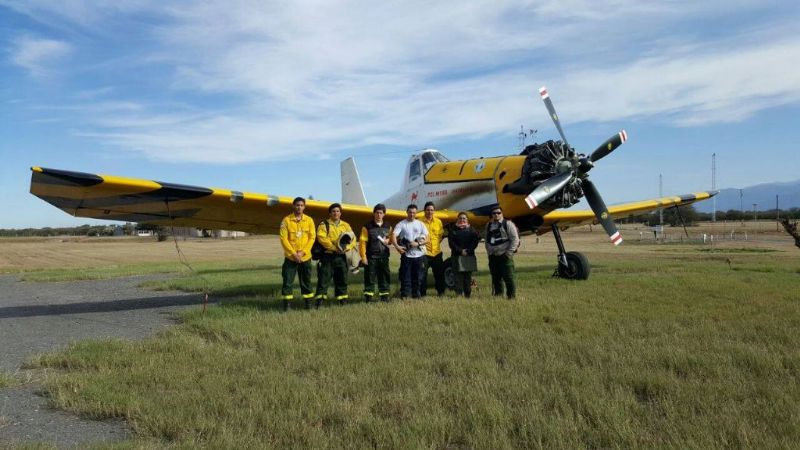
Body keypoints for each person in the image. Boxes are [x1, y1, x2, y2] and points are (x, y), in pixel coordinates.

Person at [314, 203, 357, 307]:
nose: (335, 213)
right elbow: (321, 238)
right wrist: (334, 248)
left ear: (340, 213)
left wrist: (346, 248)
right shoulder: (324, 224)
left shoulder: (346, 225)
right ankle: (319, 301)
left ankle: (342, 300)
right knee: (324, 279)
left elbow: (353, 238)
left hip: (342, 257)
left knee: (342, 279)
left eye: (337, 211)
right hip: (328, 256)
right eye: (333, 211)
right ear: (330, 213)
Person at [278, 197, 316, 311]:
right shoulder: (286, 220)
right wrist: (294, 254)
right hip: (291, 258)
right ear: (293, 206)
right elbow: (283, 239)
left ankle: (308, 304)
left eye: (301, 205)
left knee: (306, 282)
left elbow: (312, 237)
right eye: (297, 205)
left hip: (305, 257)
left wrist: (303, 252)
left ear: (304, 207)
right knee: (287, 282)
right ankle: (287, 306)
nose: (299, 207)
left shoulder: (309, 220)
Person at [392, 204, 428, 299]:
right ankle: (405, 295)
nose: (412, 214)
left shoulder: (420, 224)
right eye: (410, 212)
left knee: (418, 277)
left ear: (416, 213)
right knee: (405, 276)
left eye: (414, 213)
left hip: (419, 255)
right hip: (407, 255)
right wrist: (397, 247)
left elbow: (427, 239)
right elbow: (394, 235)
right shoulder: (401, 224)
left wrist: (418, 244)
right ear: (407, 212)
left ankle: (416, 295)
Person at [360, 203, 392, 302]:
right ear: (374, 213)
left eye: (381, 213)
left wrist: (389, 240)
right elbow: (362, 242)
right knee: (370, 277)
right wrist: (363, 257)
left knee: (384, 276)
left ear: (384, 214)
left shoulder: (388, 226)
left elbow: (391, 239)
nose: (379, 215)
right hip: (371, 256)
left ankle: (384, 296)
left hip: (384, 256)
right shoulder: (367, 226)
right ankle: (368, 297)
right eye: (377, 213)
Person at [485, 206, 519, 299]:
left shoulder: (508, 224)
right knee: (496, 278)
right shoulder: (488, 225)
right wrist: (489, 252)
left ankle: (511, 297)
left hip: (505, 256)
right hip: (493, 256)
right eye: (494, 213)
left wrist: (509, 253)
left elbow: (515, 239)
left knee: (509, 277)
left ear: (502, 214)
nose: (496, 214)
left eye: (498, 213)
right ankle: (498, 296)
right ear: (492, 215)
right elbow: (487, 240)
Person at [448, 212, 480, 297]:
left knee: (467, 276)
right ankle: (459, 294)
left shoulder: (472, 229)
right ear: (457, 219)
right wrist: (460, 251)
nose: (462, 220)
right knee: (457, 276)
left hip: (469, 255)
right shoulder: (453, 230)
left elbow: (475, 242)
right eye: (460, 218)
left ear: (467, 220)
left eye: (464, 218)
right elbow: (451, 243)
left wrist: (468, 251)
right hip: (456, 255)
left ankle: (467, 294)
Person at [420, 201, 446, 297]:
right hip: (424, 253)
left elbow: (440, 236)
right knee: (423, 275)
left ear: (434, 211)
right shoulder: (419, 222)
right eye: (428, 210)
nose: (430, 212)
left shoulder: (438, 222)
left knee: (439, 274)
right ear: (424, 211)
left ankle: (441, 293)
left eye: (431, 210)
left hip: (437, 253)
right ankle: (422, 294)